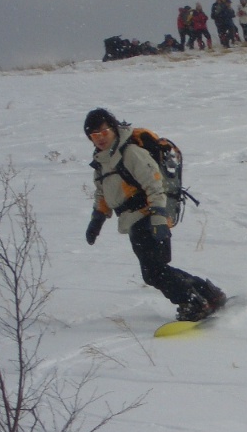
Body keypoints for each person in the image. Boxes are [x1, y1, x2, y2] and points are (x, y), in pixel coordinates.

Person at [83, 108, 226, 321]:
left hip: (148, 215)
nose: (100, 139)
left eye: (104, 132)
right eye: (95, 135)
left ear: (113, 129)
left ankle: (192, 302)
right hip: (133, 220)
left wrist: (159, 218)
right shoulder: (102, 162)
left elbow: (155, 184)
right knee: (157, 270)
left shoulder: (130, 153)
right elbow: (102, 193)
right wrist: (97, 219)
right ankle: (207, 293)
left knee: (154, 272)